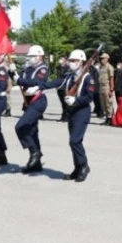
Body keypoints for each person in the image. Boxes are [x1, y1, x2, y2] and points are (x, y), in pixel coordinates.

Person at [43, 49, 94, 182]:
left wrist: (76, 100)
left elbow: (89, 97)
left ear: (81, 62)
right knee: (73, 142)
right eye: (70, 60)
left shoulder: (88, 78)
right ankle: (77, 168)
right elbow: (56, 82)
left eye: (74, 61)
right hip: (72, 112)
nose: (71, 63)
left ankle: (84, 166)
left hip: (82, 112)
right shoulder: (69, 77)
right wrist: (40, 86)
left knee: (74, 140)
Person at [10, 45, 49, 173]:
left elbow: (35, 82)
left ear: (39, 56)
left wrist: (19, 79)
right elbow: (19, 80)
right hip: (27, 102)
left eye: (32, 56)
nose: (30, 58)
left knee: (20, 126)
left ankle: (35, 152)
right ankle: (36, 164)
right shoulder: (28, 69)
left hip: (38, 101)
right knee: (32, 131)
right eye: (29, 56)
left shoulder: (42, 69)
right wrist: (12, 72)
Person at [98, 53, 115, 125]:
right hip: (101, 86)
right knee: (103, 103)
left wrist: (111, 89)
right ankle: (107, 118)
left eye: (103, 58)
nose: (102, 60)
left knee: (108, 103)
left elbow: (111, 78)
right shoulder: (101, 67)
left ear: (107, 59)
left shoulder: (109, 67)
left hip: (107, 86)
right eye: (101, 58)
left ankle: (110, 118)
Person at [57, 57, 70, 122]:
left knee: (66, 103)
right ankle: (63, 116)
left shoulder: (67, 68)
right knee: (62, 103)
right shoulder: (60, 67)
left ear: (65, 60)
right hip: (59, 87)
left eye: (62, 59)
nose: (60, 60)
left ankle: (67, 116)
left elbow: (65, 77)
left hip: (64, 87)